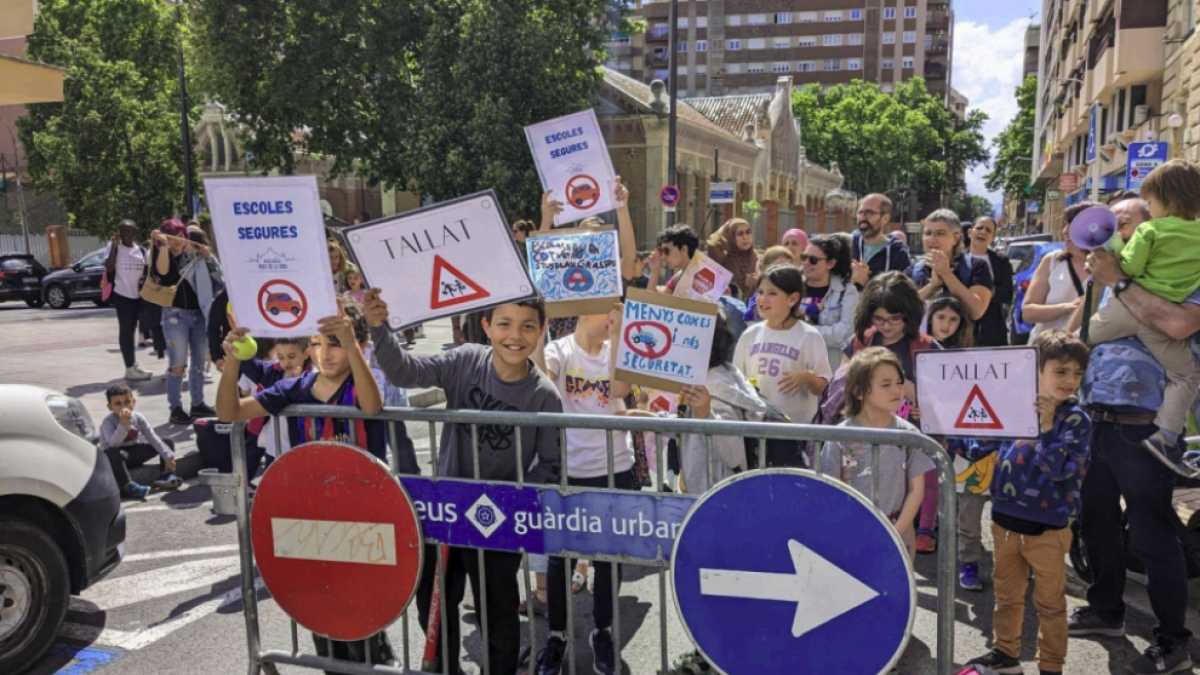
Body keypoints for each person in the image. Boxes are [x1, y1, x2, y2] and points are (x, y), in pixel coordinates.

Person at [363, 289, 562, 675]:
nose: (514, 335)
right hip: (447, 514)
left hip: (497, 522)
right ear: (487, 326)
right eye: (504, 324)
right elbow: (405, 372)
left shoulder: (544, 395)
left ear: (541, 332)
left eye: (527, 327)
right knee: (434, 607)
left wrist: (508, 501)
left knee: (499, 615)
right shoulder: (466, 359)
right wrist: (379, 328)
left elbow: (551, 465)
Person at [216, 299, 397, 668]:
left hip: (364, 521)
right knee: (323, 616)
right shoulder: (296, 387)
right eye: (316, 343)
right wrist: (233, 359)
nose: (324, 354)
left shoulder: (367, 379)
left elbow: (372, 407)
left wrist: (351, 342)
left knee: (361, 622)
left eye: (334, 343)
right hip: (315, 522)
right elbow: (229, 412)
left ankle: (378, 658)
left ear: (358, 346)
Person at [1063, 202, 1197, 675]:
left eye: (1124, 223)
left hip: (1146, 426)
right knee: (1096, 521)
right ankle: (1106, 611)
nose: (1112, 230)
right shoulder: (1110, 273)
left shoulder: (1187, 269)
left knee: (1152, 533)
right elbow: (1076, 338)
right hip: (1096, 418)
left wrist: (1119, 280)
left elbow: (1179, 325)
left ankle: (1173, 643)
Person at [956, 330, 1092, 675]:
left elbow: (1059, 470)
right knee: (1007, 597)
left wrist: (1046, 426)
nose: (1070, 381)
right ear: (1036, 369)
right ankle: (1005, 654)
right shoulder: (1014, 406)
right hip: (1004, 521)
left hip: (1047, 529)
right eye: (1060, 371)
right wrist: (947, 423)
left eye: (1077, 373)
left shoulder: (1076, 420)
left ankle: (1050, 666)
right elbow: (979, 448)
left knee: (1049, 604)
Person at [533, 305, 632, 675]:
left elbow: (620, 387)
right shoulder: (560, 350)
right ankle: (556, 636)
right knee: (561, 557)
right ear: (585, 311)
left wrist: (620, 331)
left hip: (613, 468)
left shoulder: (615, 350)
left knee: (608, 559)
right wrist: (539, 329)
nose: (613, 315)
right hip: (567, 472)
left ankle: (602, 632)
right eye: (609, 309)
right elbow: (543, 378)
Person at [1082, 159, 1200, 467]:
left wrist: (1116, 272)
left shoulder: (1148, 231)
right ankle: (1166, 437)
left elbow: (1131, 269)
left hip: (1140, 415)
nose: (1149, 210)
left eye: (1149, 203)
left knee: (1079, 339)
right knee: (1186, 377)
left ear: (1166, 200)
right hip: (1099, 411)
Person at [820, 347, 933, 556]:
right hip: (850, 541)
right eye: (886, 384)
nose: (896, 390)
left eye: (899, 383)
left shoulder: (909, 433)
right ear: (859, 391)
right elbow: (829, 491)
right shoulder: (839, 436)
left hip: (899, 541)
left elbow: (917, 490)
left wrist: (894, 533)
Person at [733, 265, 832, 425]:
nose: (763, 299)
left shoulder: (809, 336)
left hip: (795, 431)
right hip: (756, 427)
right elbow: (736, 380)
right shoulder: (750, 334)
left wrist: (808, 377)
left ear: (792, 299)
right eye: (760, 291)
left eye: (772, 293)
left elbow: (824, 387)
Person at [152, 219, 225, 425]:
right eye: (174, 235)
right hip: (175, 316)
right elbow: (164, 272)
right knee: (178, 364)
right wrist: (163, 246)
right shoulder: (162, 256)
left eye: (182, 235)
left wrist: (208, 257)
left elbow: (218, 278)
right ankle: (175, 408)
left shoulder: (195, 257)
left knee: (200, 362)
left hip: (199, 314)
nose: (180, 240)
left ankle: (198, 404)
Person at [1023, 202, 1096, 342]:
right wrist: (1066, 308)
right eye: (1066, 224)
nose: (1065, 231)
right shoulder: (1052, 261)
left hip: (1091, 353)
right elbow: (1028, 312)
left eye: (1073, 224)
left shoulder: (1109, 267)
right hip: (1048, 352)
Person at [910, 209, 994, 323]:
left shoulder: (976, 267)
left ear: (956, 238)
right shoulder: (914, 269)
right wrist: (932, 286)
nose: (932, 239)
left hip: (963, 340)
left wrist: (947, 274)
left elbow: (976, 312)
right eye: (928, 233)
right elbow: (902, 311)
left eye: (940, 233)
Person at [99, 384, 182, 498]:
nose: (124, 406)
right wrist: (123, 424)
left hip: (132, 454)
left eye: (127, 401)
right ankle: (128, 486)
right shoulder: (108, 422)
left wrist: (167, 457)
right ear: (110, 407)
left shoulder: (138, 418)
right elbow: (113, 444)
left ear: (133, 402)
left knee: (166, 442)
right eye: (118, 404)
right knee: (113, 453)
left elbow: (152, 437)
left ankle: (165, 476)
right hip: (116, 459)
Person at [800, 234, 860, 368]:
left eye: (813, 260)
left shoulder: (846, 292)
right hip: (795, 362)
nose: (806, 263)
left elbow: (846, 332)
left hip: (828, 366)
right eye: (804, 257)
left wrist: (805, 332)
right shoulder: (793, 287)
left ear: (830, 263)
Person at [105, 219, 152, 381]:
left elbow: (147, 271)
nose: (126, 234)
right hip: (122, 294)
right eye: (122, 231)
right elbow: (109, 267)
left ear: (135, 232)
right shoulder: (115, 249)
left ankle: (133, 364)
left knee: (143, 329)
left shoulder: (141, 251)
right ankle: (129, 367)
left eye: (129, 231)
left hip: (139, 296)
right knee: (126, 331)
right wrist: (113, 245)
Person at [966, 216, 1014, 346]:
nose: (983, 232)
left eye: (988, 230)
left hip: (992, 328)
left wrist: (987, 292)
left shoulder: (1001, 261)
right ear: (970, 233)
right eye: (979, 228)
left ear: (992, 238)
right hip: (963, 325)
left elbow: (1007, 294)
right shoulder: (957, 260)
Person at [850, 193, 911, 288]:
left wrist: (865, 281)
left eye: (868, 213)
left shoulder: (898, 254)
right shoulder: (847, 245)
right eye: (860, 212)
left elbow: (900, 297)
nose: (862, 217)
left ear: (885, 218)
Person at [706, 218, 759, 296]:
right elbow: (712, 245)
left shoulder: (757, 257)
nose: (745, 237)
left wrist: (758, 281)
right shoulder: (725, 257)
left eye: (748, 232)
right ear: (731, 236)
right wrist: (722, 230)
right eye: (740, 234)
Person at [647, 225, 700, 294]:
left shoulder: (707, 277)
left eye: (666, 251)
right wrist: (655, 271)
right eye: (661, 251)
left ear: (684, 249)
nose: (663, 257)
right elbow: (653, 302)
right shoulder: (676, 279)